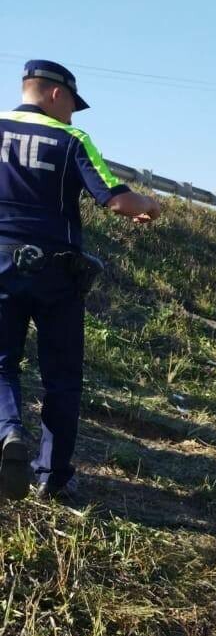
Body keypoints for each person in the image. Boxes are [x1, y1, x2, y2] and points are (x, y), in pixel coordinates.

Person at [0, 60, 160, 500]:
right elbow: (115, 199)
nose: (73, 114)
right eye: (73, 104)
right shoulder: (70, 139)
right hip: (56, 271)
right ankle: (52, 478)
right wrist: (150, 202)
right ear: (56, 95)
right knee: (62, 378)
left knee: (1, 365)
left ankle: (8, 431)